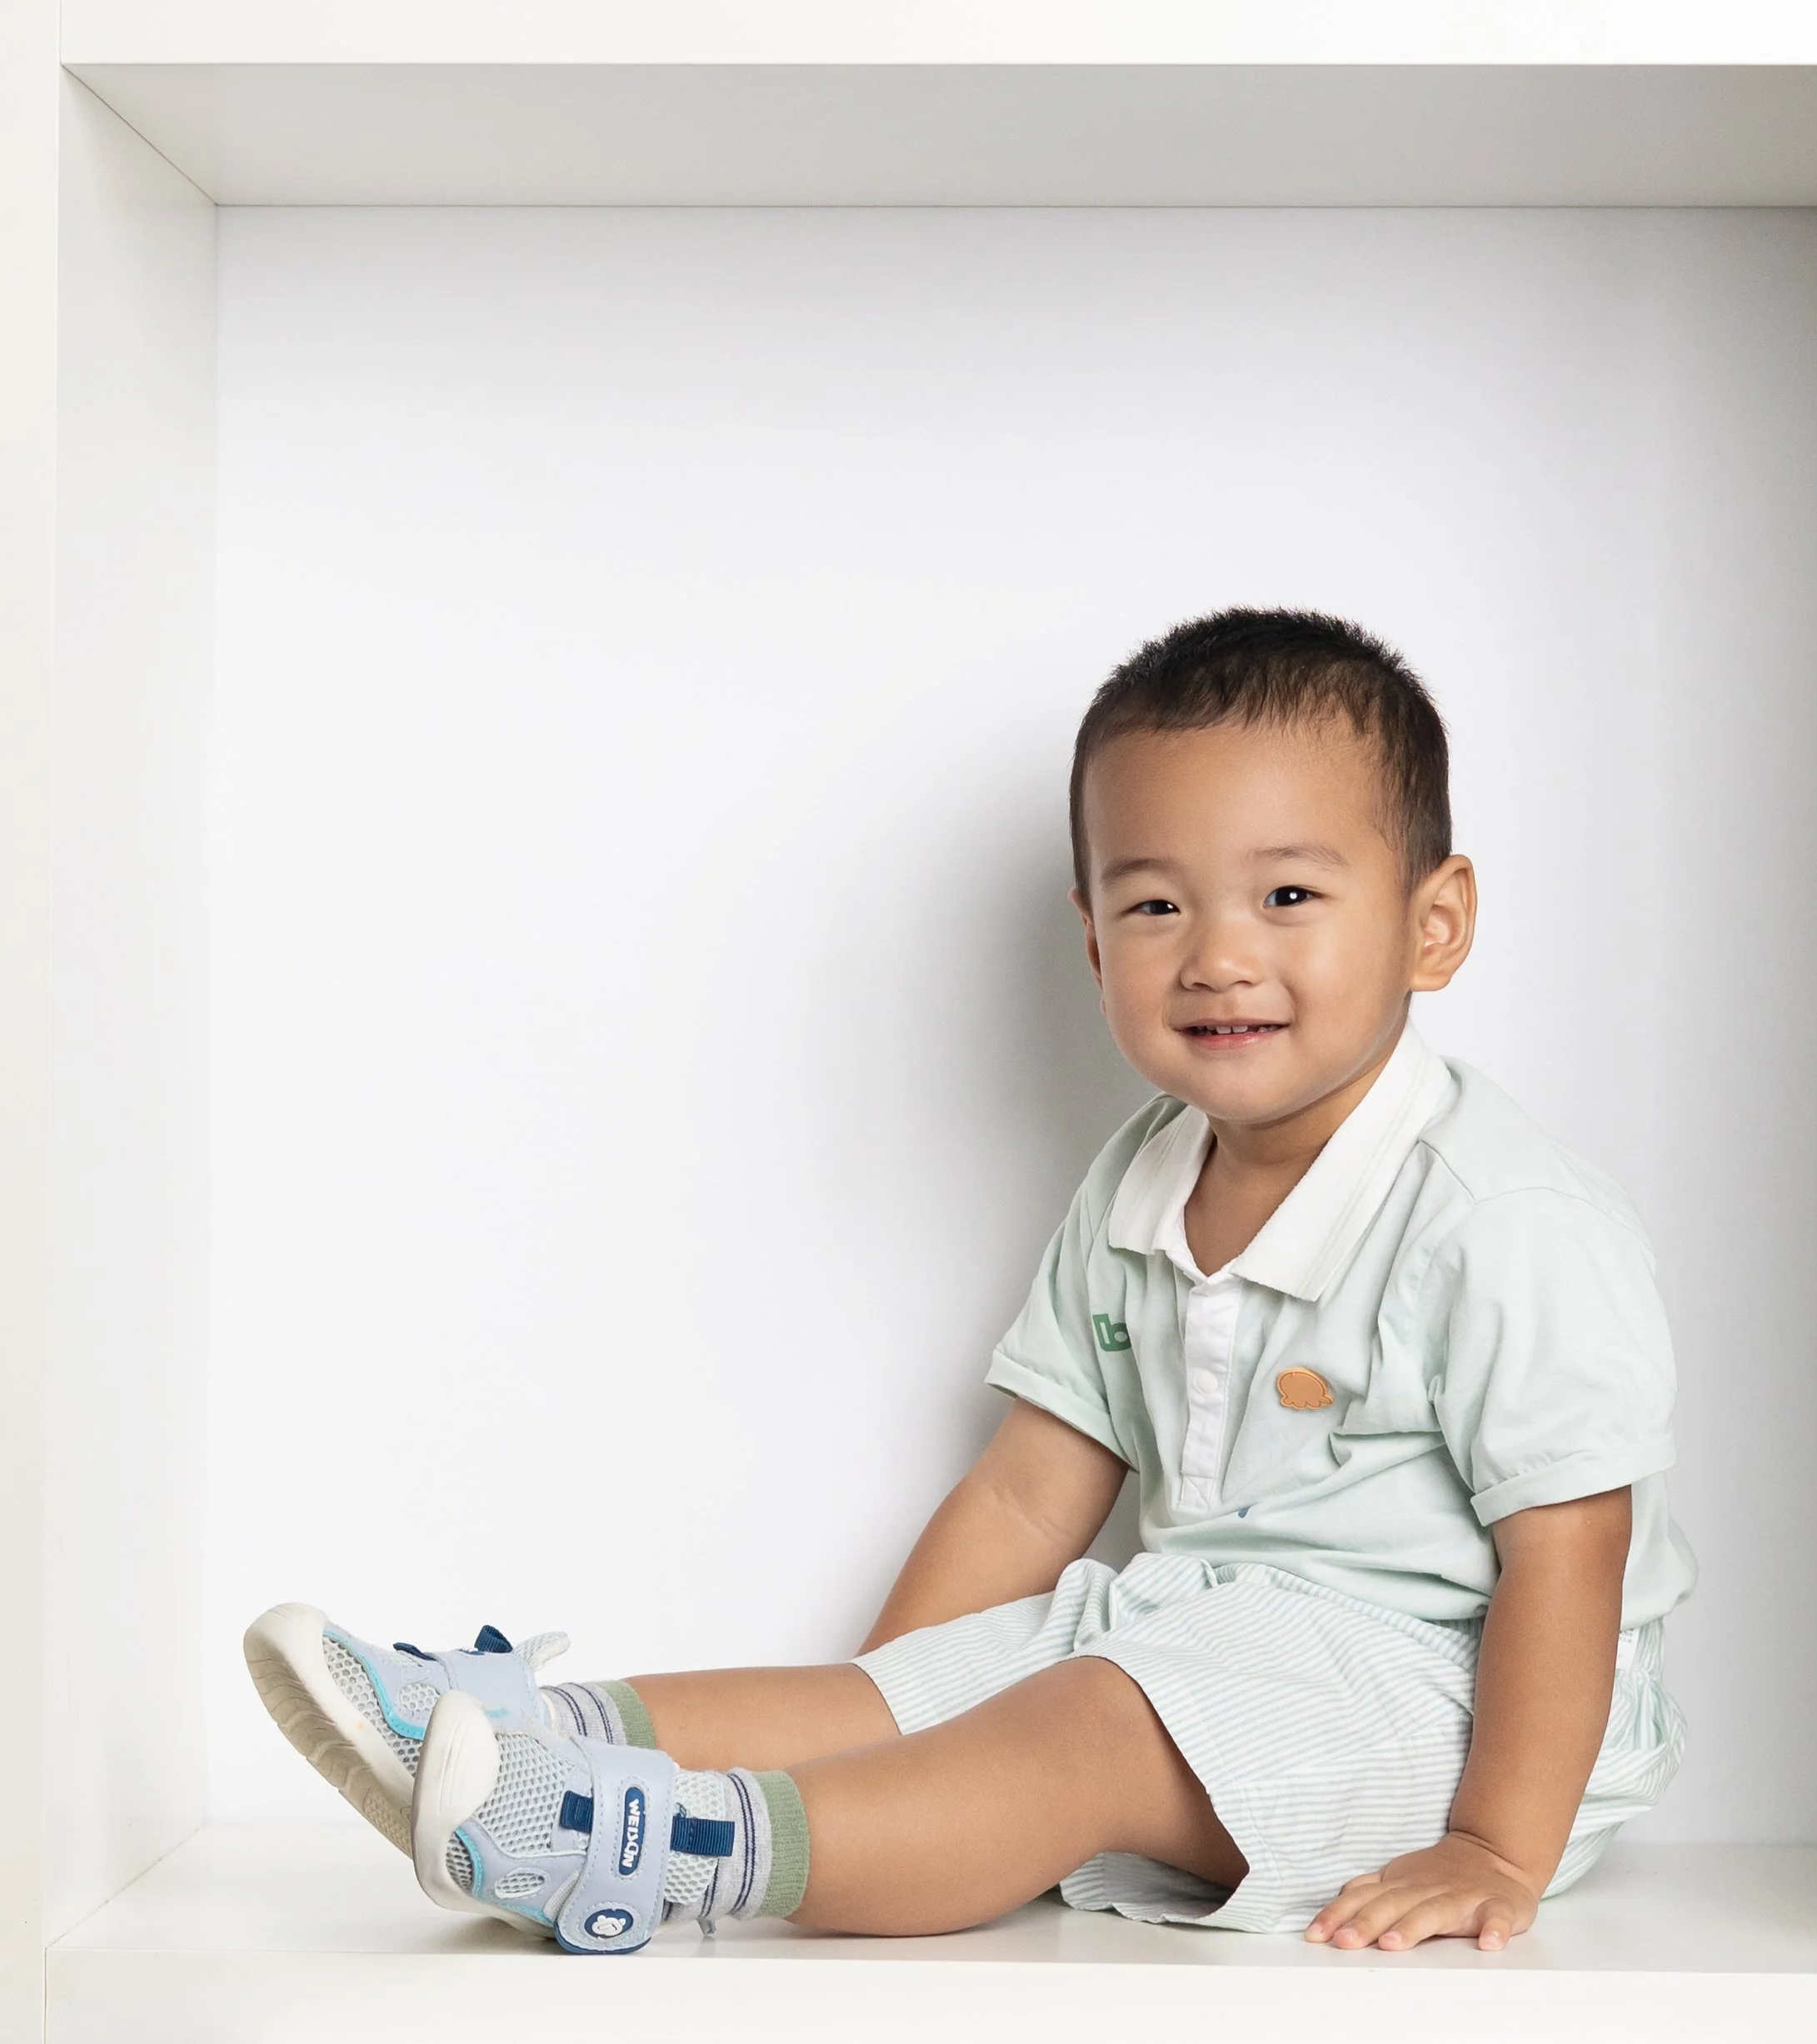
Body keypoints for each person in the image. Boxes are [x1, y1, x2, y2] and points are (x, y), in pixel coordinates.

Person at [247, 607, 1694, 1957]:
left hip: (1450, 1702)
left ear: (1431, 924)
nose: (1216, 956)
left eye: (1289, 892)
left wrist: (1497, 1844)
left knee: (1089, 1717)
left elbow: (1571, 1552)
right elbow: (1024, 1492)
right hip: (1202, 1633)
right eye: (1152, 909)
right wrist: (892, 1727)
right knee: (922, 1683)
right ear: (1089, 936)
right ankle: (509, 1745)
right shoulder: (1139, 1178)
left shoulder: (1497, 1215)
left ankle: (668, 1846)